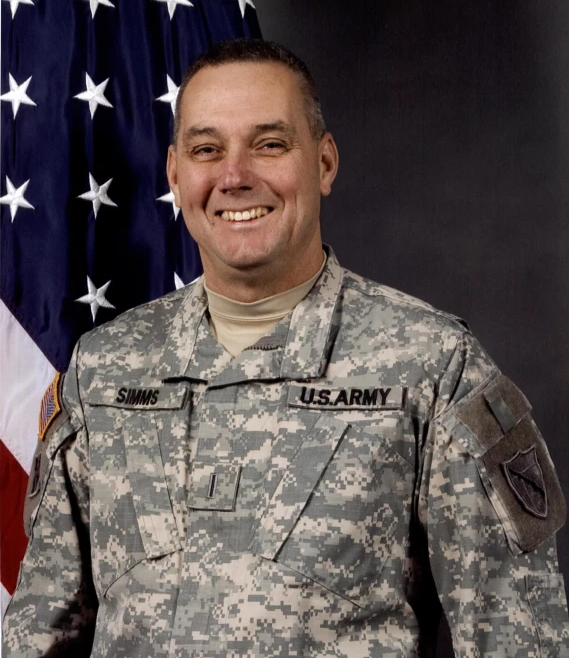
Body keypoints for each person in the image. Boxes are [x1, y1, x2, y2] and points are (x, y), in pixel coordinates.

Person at [3, 38, 569, 657]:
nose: (235, 175)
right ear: (175, 174)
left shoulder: (432, 367)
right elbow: (38, 633)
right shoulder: (104, 372)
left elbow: (519, 640)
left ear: (324, 163)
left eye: (269, 144)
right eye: (206, 150)